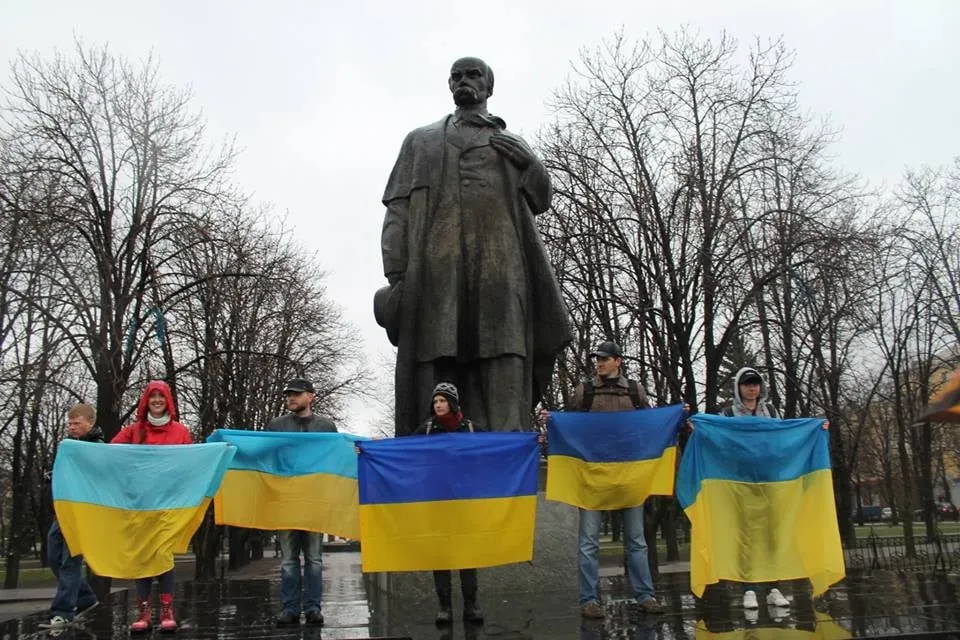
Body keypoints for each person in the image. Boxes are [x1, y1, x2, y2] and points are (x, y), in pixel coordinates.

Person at [375, 56, 571, 437]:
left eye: (473, 74)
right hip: (437, 273)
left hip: (500, 270)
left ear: (488, 86)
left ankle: (505, 445)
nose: (464, 80)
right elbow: (397, 209)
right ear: (450, 85)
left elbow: (541, 199)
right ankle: (434, 444)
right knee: (436, 355)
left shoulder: (510, 144)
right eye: (457, 76)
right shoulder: (421, 141)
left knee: (504, 351)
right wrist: (396, 273)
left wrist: (532, 166)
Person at [543, 341, 663, 619]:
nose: (599, 362)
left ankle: (646, 596)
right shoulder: (584, 391)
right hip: (593, 479)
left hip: (628, 477)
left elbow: (649, 425)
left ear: (618, 361)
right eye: (597, 358)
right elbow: (570, 426)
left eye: (605, 358)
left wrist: (675, 416)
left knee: (637, 541)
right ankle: (589, 600)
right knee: (589, 543)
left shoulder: (635, 391)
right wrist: (553, 420)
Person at [718, 367, 828, 613]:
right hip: (741, 481)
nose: (752, 388)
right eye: (747, 384)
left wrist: (816, 429)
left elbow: (784, 438)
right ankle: (748, 588)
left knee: (771, 534)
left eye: (755, 383)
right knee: (746, 535)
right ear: (738, 387)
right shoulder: (728, 414)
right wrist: (701, 428)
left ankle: (773, 588)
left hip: (771, 479)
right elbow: (719, 441)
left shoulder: (771, 411)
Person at [111, 380, 193, 633]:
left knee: (164, 555)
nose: (157, 400)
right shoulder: (133, 431)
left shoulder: (180, 431)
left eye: (161, 396)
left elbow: (191, 463)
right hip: (140, 503)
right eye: (152, 396)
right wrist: (79, 449)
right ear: (146, 401)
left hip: (168, 503)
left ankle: (167, 609)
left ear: (168, 401)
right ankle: (143, 611)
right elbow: (110, 454)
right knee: (143, 555)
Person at [265, 378, 338, 627]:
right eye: (289, 394)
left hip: (314, 503)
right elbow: (265, 456)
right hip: (286, 503)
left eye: (296, 394)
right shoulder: (276, 426)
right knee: (288, 561)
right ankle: (290, 609)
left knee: (314, 560)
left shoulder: (326, 426)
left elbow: (335, 458)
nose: (291, 398)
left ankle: (313, 609)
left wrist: (359, 450)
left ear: (311, 396)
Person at [412, 382, 485, 627]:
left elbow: (498, 447)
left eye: (442, 400)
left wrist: (529, 442)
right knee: (441, 556)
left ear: (452, 403)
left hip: (466, 502)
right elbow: (404, 450)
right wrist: (374, 448)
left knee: (467, 556)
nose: (438, 405)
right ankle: (444, 607)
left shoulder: (472, 429)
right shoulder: (427, 429)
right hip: (437, 501)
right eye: (435, 401)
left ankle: (471, 605)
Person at [44, 403, 104, 629]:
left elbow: (98, 475)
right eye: (69, 423)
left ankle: (63, 612)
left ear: (90, 423)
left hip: (82, 511)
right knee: (53, 557)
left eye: (76, 423)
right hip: (63, 510)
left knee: (70, 561)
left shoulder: (98, 448)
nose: (71, 427)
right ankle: (85, 597)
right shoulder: (68, 447)